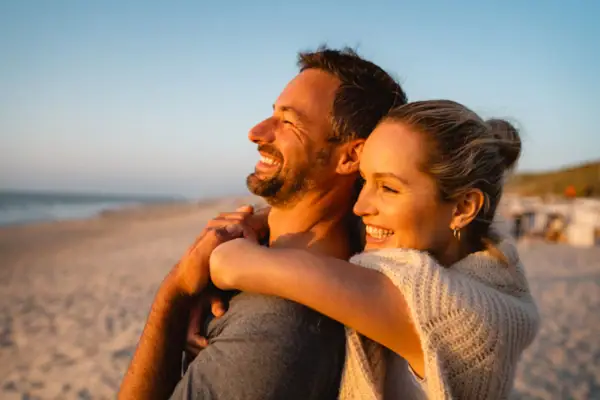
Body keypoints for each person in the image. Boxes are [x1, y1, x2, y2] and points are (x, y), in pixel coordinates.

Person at [118, 47, 407, 400]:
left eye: (288, 121)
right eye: (272, 113)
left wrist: (175, 294)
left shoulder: (274, 329)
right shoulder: (274, 261)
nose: (256, 132)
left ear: (349, 156)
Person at [207, 100, 541, 399]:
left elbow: (228, 262)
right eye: (364, 181)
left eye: (388, 188)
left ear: (463, 207)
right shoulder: (481, 267)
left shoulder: (449, 310)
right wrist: (268, 218)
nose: (361, 206)